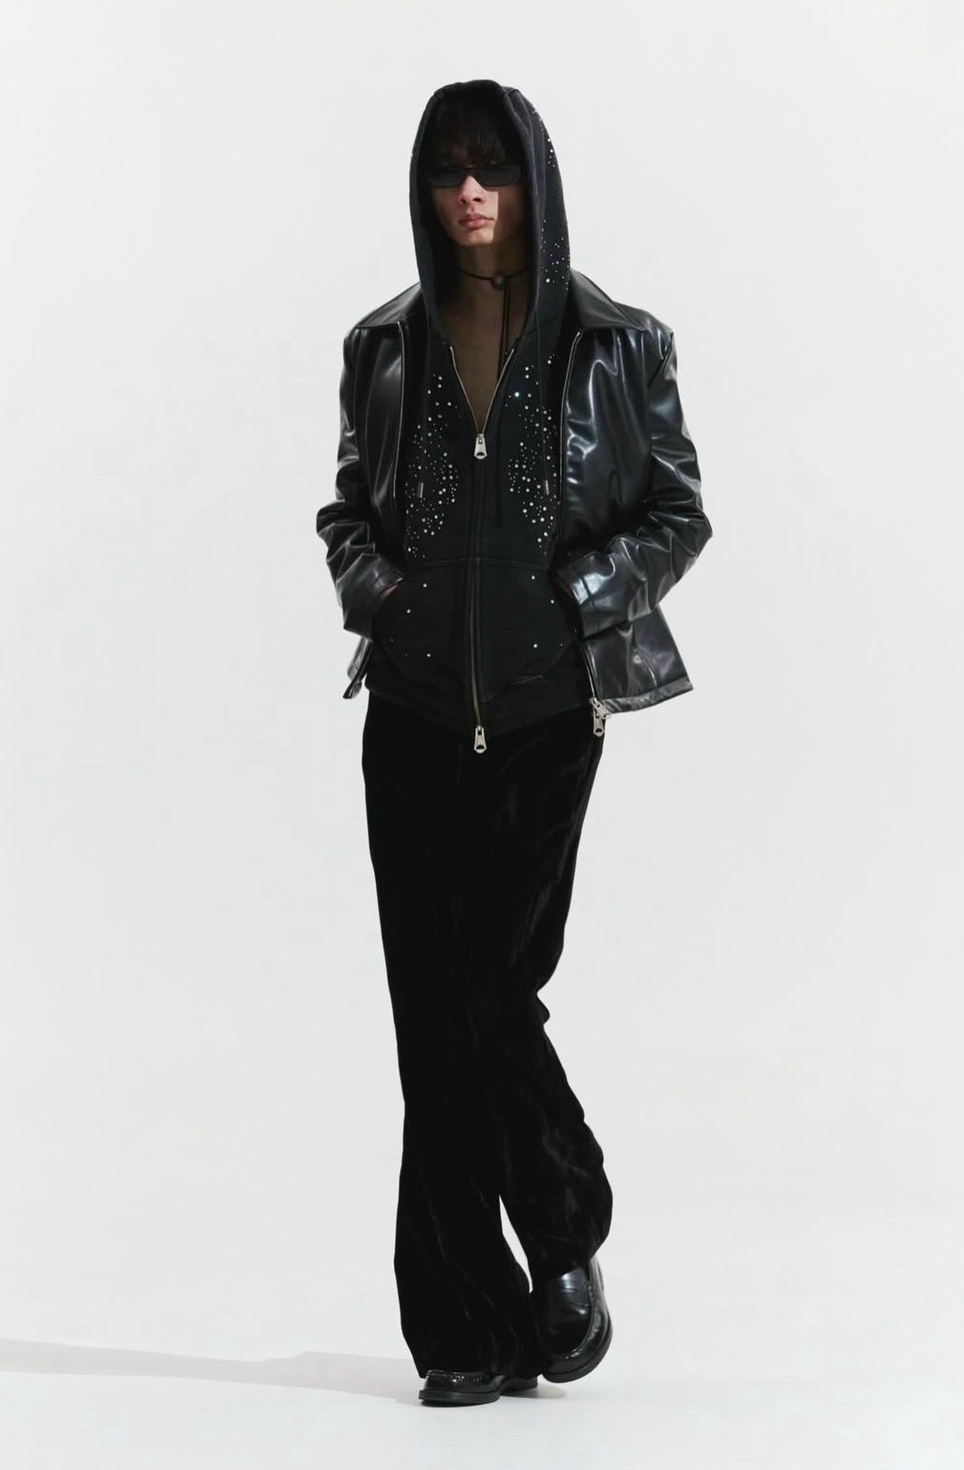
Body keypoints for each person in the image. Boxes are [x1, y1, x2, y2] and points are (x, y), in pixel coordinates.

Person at [316, 78, 713, 1407]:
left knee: (488, 994)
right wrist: (379, 592)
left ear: (533, 180)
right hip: (412, 717)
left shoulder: (618, 343)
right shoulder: (384, 345)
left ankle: (560, 1217)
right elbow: (345, 512)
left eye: (492, 167)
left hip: (546, 715)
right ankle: (462, 1328)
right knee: (428, 1022)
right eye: (449, 170)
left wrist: (580, 593)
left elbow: (677, 512)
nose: (471, 192)